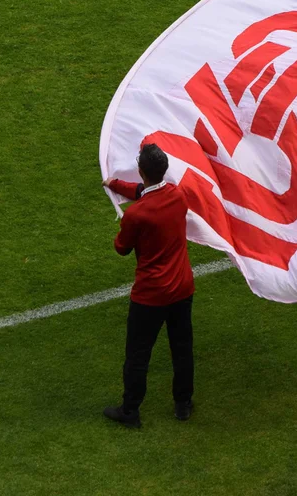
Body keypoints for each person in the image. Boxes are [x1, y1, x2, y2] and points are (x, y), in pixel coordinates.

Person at [101, 143, 195, 428]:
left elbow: (121, 248)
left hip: (150, 296)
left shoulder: (136, 215)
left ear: (141, 171)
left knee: (138, 355)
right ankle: (183, 404)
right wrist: (115, 184)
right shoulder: (179, 196)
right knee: (182, 348)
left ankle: (130, 411)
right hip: (181, 288)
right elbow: (144, 192)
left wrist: (123, 221)